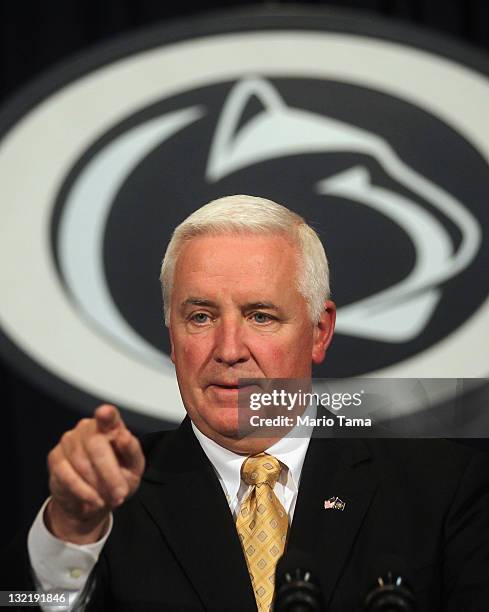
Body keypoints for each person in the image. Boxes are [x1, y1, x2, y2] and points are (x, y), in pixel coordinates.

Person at [2, 195, 489, 611]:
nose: (229, 349)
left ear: (319, 331)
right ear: (171, 336)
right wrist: (72, 529)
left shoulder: (443, 487)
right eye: (200, 316)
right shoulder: (102, 502)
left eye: (260, 316)